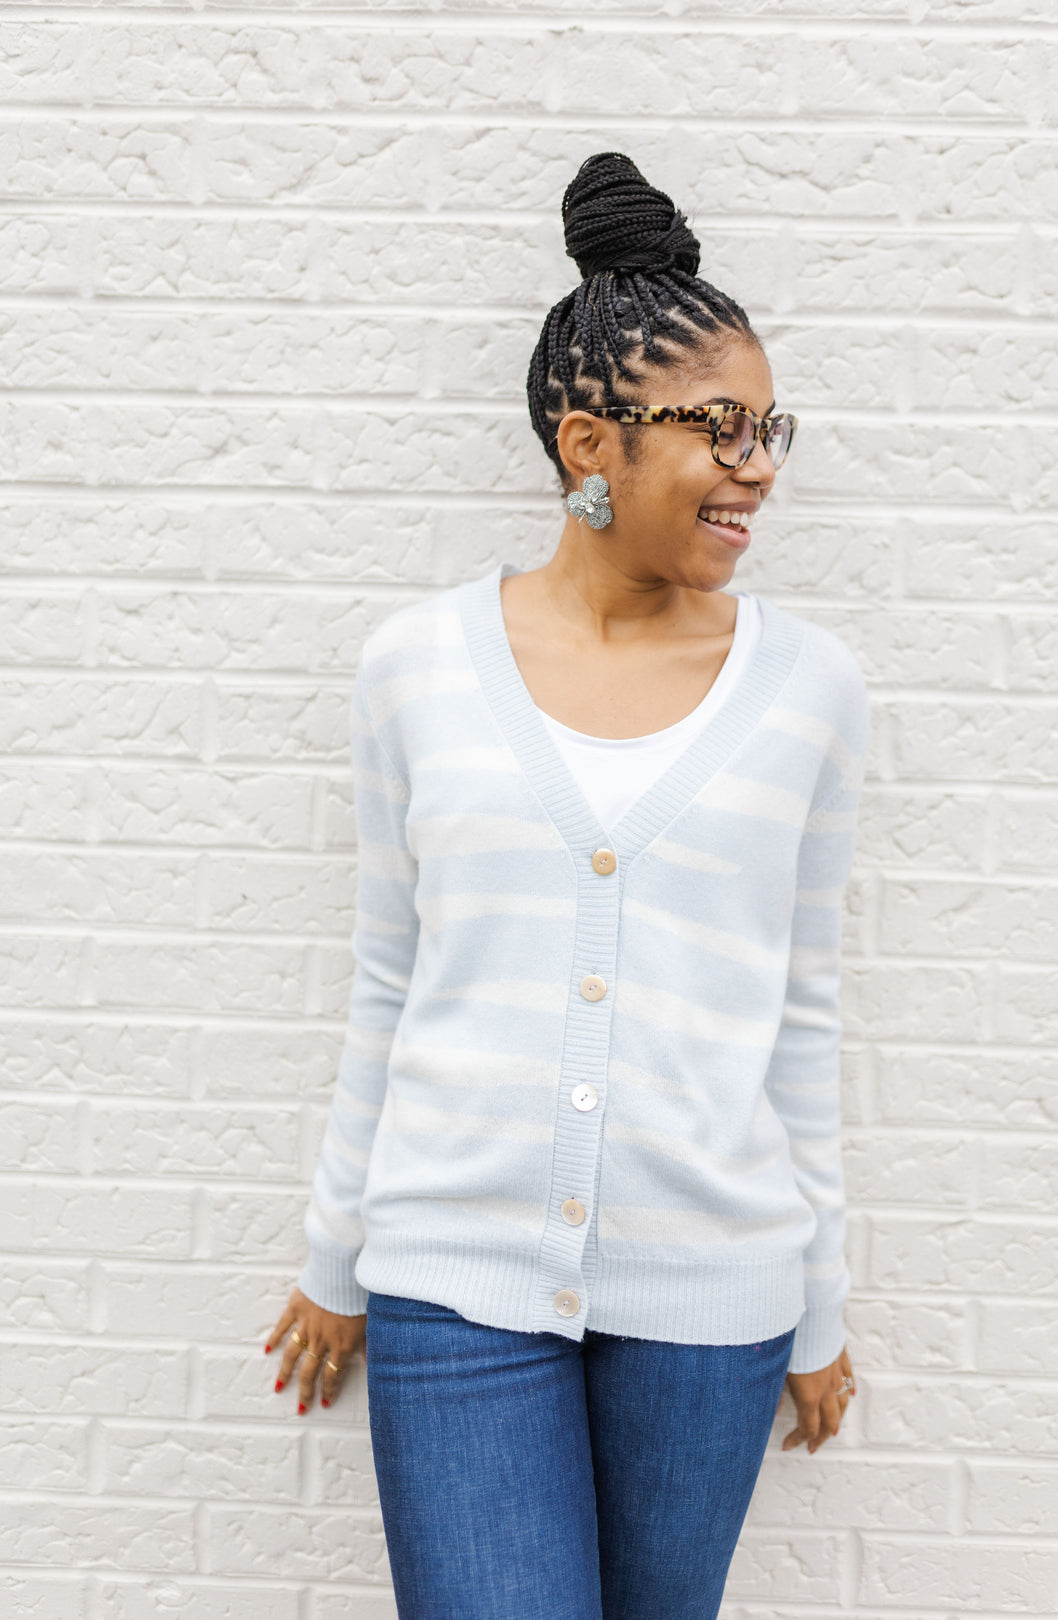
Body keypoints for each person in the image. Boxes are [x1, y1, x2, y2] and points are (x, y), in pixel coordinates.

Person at [262, 152, 869, 1618]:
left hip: (712, 1300)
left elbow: (800, 1012)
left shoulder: (810, 688)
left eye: (769, 429)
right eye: (719, 429)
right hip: (454, 1283)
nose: (760, 465)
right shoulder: (416, 667)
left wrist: (820, 1303)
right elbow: (392, 979)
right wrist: (336, 1255)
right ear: (591, 444)